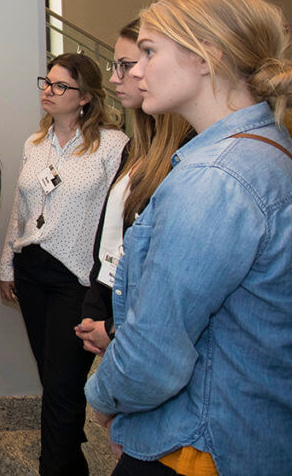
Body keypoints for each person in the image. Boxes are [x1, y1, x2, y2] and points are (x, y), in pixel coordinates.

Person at [85, 0, 292, 476]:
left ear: (207, 57)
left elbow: (154, 353)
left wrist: (105, 398)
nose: (136, 70)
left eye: (148, 51)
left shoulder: (216, 177)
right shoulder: (266, 147)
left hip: (202, 445)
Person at [0, 53, 128, 476]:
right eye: (46, 82)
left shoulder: (112, 145)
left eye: (59, 86)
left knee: (62, 384)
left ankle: (53, 467)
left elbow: (117, 218)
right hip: (31, 270)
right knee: (55, 381)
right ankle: (69, 462)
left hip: (78, 277)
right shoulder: (35, 143)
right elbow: (20, 207)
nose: (47, 91)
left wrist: (108, 285)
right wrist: (6, 266)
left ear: (86, 97)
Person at [75, 21, 192, 355]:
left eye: (125, 66)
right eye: (118, 66)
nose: (115, 78)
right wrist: (96, 309)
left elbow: (170, 273)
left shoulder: (188, 153)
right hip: (115, 306)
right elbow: (112, 234)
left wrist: (113, 328)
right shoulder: (139, 145)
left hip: (141, 327)